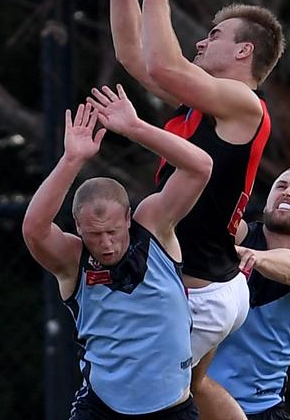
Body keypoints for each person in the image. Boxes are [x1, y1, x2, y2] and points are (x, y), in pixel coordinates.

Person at [110, 0, 285, 416]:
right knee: (196, 390)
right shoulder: (204, 98)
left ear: (245, 52)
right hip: (208, 282)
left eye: (216, 36)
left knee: (151, 400)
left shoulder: (243, 103)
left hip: (200, 290)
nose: (202, 41)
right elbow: (133, 54)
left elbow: (164, 66)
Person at [21, 84, 213, 419]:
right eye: (95, 235)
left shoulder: (154, 227)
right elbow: (34, 230)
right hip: (102, 408)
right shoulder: (72, 260)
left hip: (172, 408)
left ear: (128, 217)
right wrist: (71, 160)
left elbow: (200, 167)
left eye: (113, 231)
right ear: (78, 228)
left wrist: (135, 128)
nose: (106, 244)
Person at [200, 167, 290, 420]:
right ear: (266, 203)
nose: (288, 192)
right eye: (281, 186)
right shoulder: (238, 235)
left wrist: (252, 257)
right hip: (193, 403)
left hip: (260, 411)